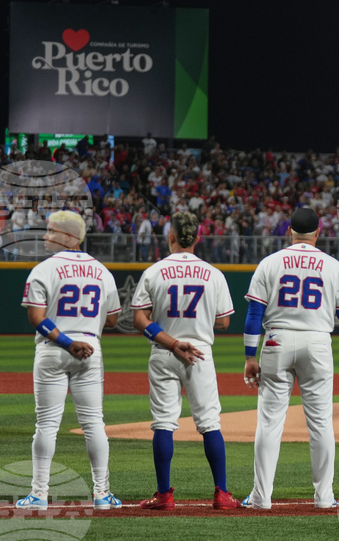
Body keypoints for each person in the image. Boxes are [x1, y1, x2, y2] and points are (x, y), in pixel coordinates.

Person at [240, 208, 339, 509]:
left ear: (289, 231)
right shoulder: (332, 265)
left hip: (277, 339)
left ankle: (261, 498)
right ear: (319, 233)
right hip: (317, 342)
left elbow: (254, 313)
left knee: (269, 422)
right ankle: (324, 497)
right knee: (320, 423)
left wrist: (249, 356)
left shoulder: (270, 263)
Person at [132, 212, 241, 510]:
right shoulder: (213, 274)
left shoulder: (155, 271)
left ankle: (164, 495)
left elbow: (139, 319)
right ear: (197, 238)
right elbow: (224, 322)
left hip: (163, 350)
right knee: (209, 422)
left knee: (164, 423)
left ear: (171, 237)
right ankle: (222, 494)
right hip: (200, 353)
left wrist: (172, 341)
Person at [17, 211, 122, 511]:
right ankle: (102, 494)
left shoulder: (44, 269)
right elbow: (113, 319)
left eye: (51, 231)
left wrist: (66, 341)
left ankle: (38, 493)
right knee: (94, 424)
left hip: (53, 349)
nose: (45, 236)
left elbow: (36, 318)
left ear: (68, 237)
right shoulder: (102, 271)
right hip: (90, 348)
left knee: (46, 425)